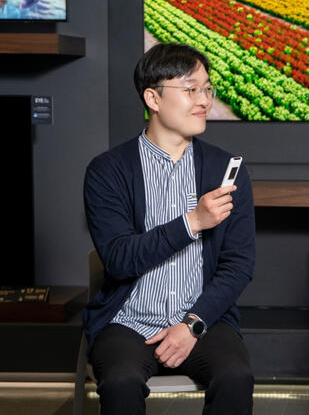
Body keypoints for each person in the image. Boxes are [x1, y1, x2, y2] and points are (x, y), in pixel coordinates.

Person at [83, 43, 255, 415]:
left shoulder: (226, 170)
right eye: (191, 89)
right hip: (128, 322)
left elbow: (238, 265)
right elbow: (119, 259)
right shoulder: (108, 171)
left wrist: (192, 324)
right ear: (153, 98)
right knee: (121, 382)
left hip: (203, 321)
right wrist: (193, 222)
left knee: (236, 377)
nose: (204, 101)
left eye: (207, 89)